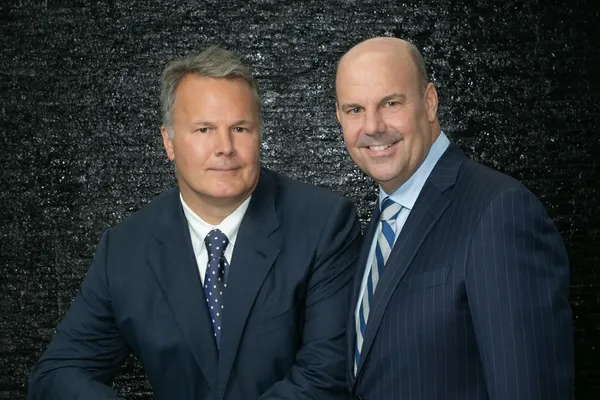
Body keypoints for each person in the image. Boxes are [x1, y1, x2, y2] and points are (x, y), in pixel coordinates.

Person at [29, 45, 362, 400]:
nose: (225, 147)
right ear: (169, 142)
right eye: (204, 129)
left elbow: (325, 377)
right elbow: (56, 376)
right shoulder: (125, 250)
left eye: (240, 128)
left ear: (260, 135)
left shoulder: (324, 225)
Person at [335, 37, 573, 400]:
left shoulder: (499, 212)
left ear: (430, 102)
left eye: (391, 103)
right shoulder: (383, 220)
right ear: (339, 117)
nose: (373, 126)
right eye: (355, 109)